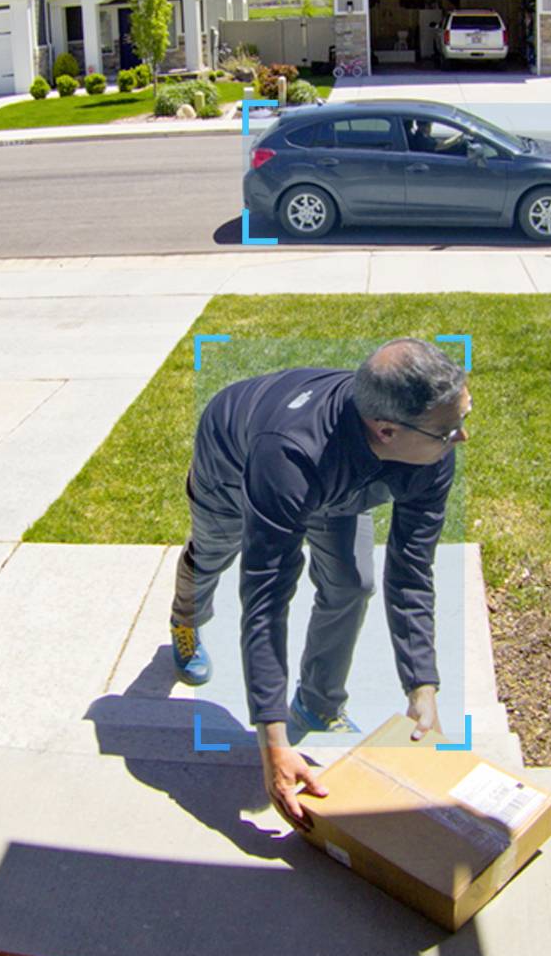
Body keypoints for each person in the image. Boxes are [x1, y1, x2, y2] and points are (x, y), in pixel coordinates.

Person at [169, 338, 471, 829]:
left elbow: (411, 568)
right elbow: (266, 601)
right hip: (236, 459)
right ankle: (185, 618)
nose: (461, 438)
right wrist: (271, 742)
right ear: (388, 430)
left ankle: (317, 700)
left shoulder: (430, 448)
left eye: (463, 417)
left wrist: (422, 684)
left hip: (338, 478)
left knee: (353, 582)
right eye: (448, 430)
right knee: (215, 554)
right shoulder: (287, 455)